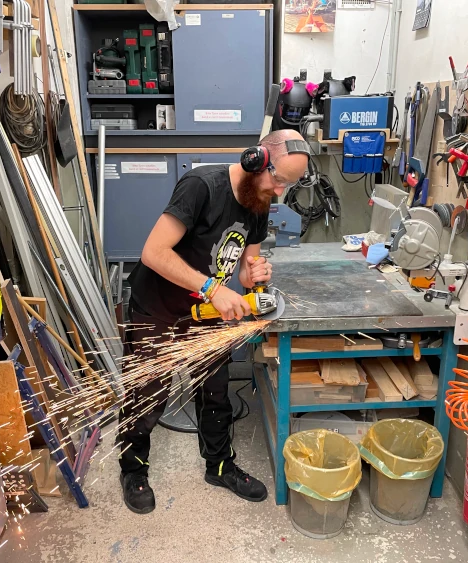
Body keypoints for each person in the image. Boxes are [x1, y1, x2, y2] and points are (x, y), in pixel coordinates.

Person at [118, 129, 310, 514]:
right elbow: (153, 253)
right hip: (158, 306)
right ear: (256, 160)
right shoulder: (201, 186)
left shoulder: (258, 201)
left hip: (205, 312)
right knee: (148, 393)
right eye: (278, 180)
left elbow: (241, 270)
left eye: (287, 186)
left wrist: (253, 275)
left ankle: (219, 465)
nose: (278, 192)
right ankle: (133, 469)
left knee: (217, 391)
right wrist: (211, 288)